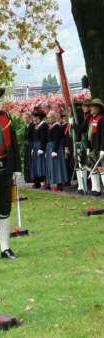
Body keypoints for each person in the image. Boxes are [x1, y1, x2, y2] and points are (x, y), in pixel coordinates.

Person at [0, 87, 20, 260]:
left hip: (5, 168)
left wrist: (17, 168)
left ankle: (5, 247)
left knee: (5, 208)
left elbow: (14, 145)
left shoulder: (5, 118)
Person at [87, 98, 104, 197]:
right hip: (93, 146)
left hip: (100, 147)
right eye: (90, 106)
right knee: (94, 168)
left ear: (98, 108)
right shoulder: (92, 119)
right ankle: (96, 189)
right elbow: (89, 134)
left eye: (93, 106)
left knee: (103, 168)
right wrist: (89, 147)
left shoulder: (103, 118)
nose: (91, 108)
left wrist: (103, 149)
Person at [46, 110, 69, 191]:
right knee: (52, 166)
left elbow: (57, 139)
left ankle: (59, 184)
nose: (48, 119)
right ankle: (55, 183)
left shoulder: (57, 126)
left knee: (58, 166)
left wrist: (54, 151)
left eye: (49, 117)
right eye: (48, 118)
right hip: (50, 147)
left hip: (55, 148)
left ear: (53, 117)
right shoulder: (51, 126)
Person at [31, 108, 48, 189]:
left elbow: (44, 138)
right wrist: (33, 148)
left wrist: (42, 148)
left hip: (40, 147)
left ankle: (45, 182)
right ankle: (37, 182)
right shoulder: (35, 125)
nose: (33, 119)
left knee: (42, 165)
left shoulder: (44, 125)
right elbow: (34, 138)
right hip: (35, 146)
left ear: (38, 117)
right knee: (36, 165)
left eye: (34, 117)